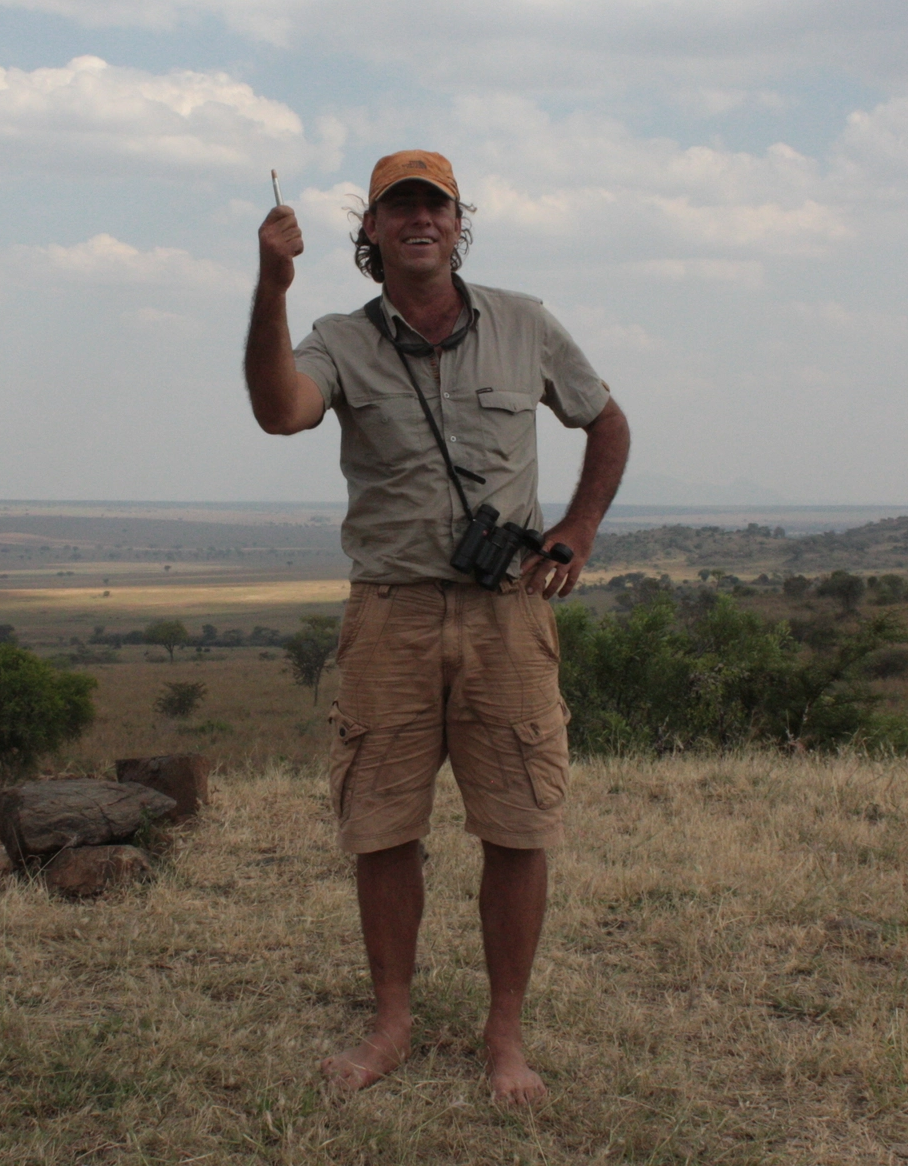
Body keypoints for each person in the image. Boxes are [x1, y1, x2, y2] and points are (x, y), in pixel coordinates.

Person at [243, 149, 630, 1106]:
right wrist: (272, 287)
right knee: (381, 827)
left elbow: (607, 422)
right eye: (399, 207)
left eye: (436, 206)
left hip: (509, 617)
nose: (420, 219)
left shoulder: (525, 322)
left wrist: (579, 529)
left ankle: (507, 1036)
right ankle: (392, 1024)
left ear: (460, 225)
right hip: (390, 616)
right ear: (370, 232)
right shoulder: (339, 338)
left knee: (519, 825)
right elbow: (280, 412)